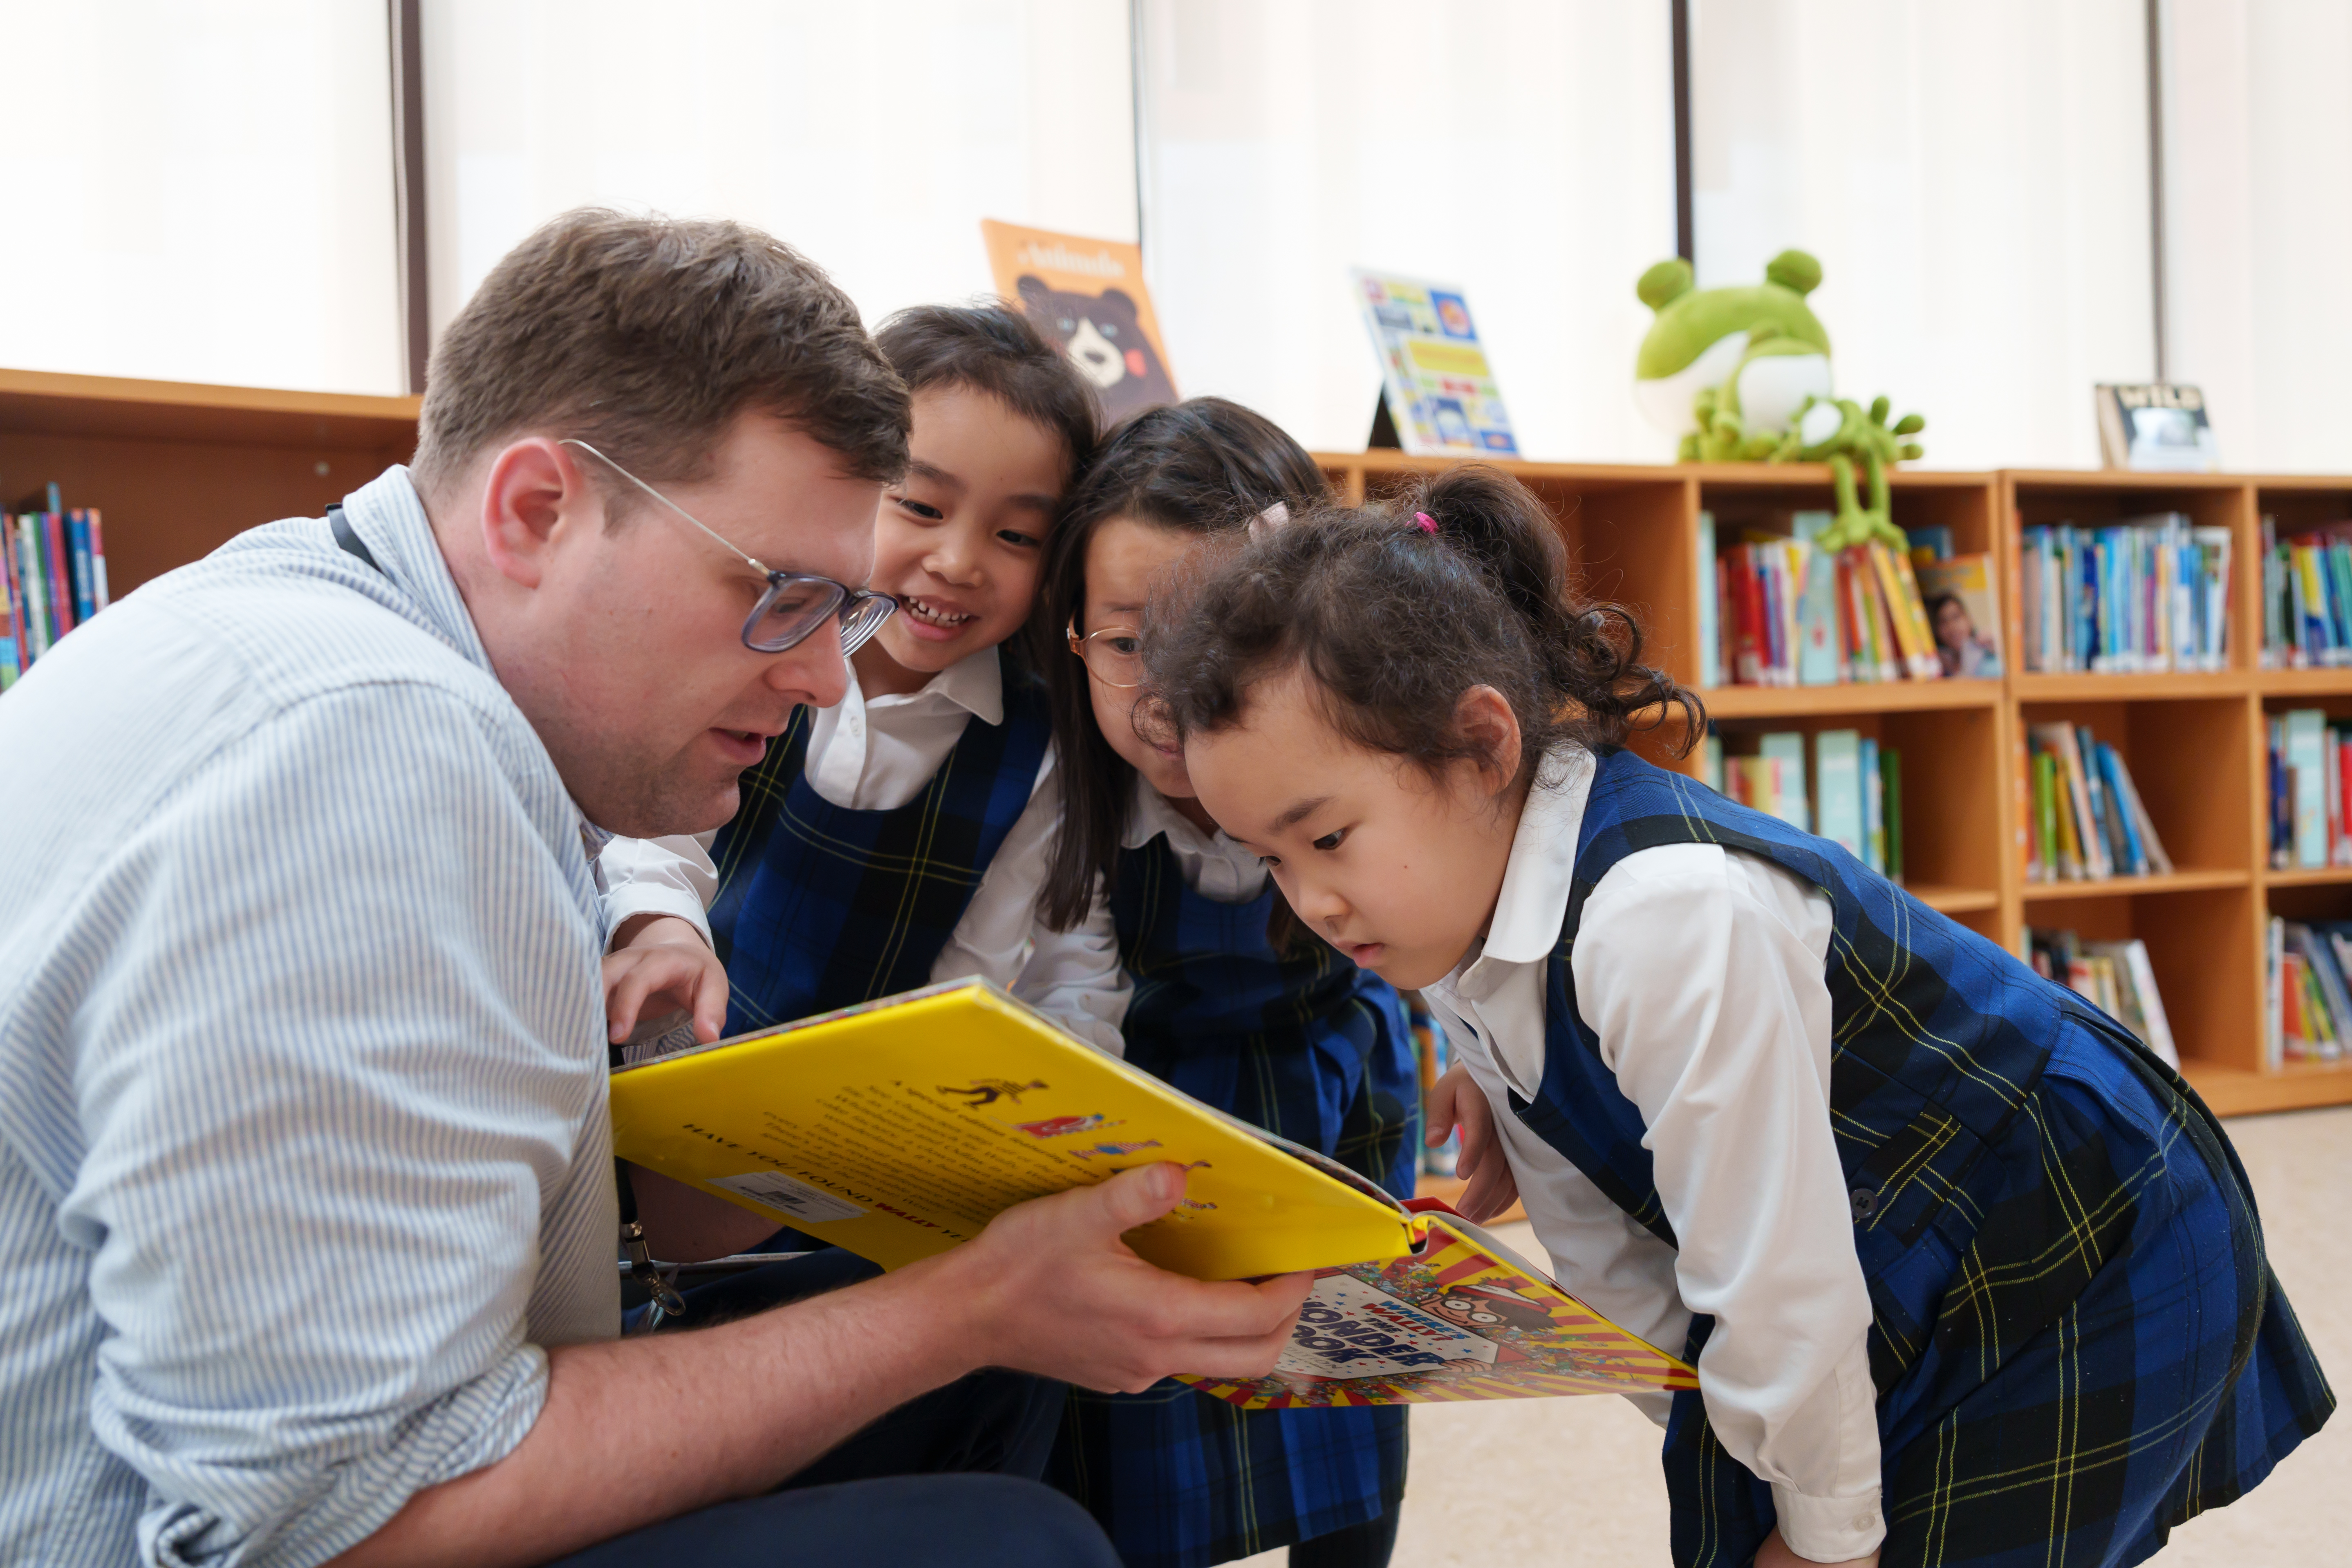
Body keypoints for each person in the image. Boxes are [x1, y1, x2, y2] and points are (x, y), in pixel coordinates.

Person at [0, 210, 1310, 1568]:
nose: (817, 676)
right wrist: (972, 1309)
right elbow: (325, 1517)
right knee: (1017, 1541)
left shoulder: (283, 605)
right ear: (534, 510)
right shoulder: (371, 746)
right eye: (779, 591)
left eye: (840, 606)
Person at [1134, 464, 2335, 1568]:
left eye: (1327, 836)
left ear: (1483, 745)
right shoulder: (1444, 907)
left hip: (2084, 1230)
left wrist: (1823, 1534)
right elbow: (1605, 1250)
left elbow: (1777, 1276)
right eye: (1270, 858)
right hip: (1894, 1248)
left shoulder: (1663, 916)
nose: (1312, 899)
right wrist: (1741, 1454)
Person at [1030, 399, 1431, 1568]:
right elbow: (1066, 999)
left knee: (1346, 1400)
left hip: (1331, 1096)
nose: (1167, 690)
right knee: (1144, 1417)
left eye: (1217, 633)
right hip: (1149, 1120)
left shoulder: (1360, 739)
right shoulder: (1062, 789)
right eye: (1125, 642)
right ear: (1070, 636)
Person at [598, 302, 1127, 1076]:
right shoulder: (753, 641)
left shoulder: (1036, 748)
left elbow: (966, 977)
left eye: (1015, 536)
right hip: (666, 1065)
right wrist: (663, 934)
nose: (956, 561)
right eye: (920, 505)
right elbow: (653, 843)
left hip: (855, 1110)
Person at [1925, 591, 1998, 678]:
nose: (1952, 627)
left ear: (1969, 620)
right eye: (1943, 622)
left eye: (1956, 617)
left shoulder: (1989, 657)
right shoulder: (1939, 665)